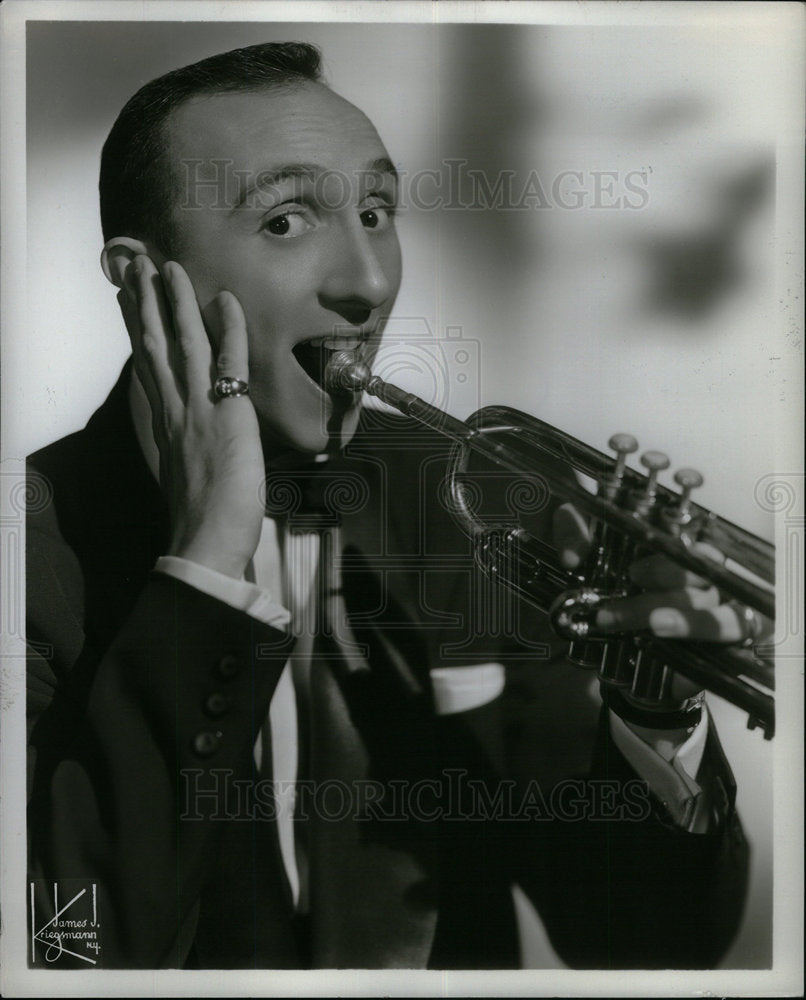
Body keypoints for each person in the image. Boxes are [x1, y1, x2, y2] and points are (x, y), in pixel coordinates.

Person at [27, 41, 757, 970]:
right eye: (287, 222)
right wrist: (205, 564)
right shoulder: (29, 555)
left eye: (376, 211)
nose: (369, 283)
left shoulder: (476, 504)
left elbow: (648, 946)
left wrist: (654, 714)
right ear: (140, 283)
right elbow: (71, 960)